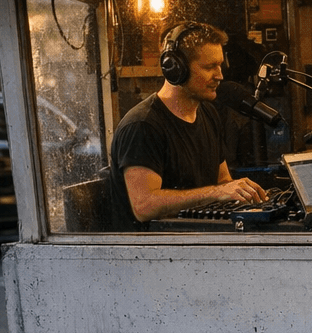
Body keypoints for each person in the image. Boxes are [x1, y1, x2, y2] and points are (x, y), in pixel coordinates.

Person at [108, 22, 266, 227]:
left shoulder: (207, 113)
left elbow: (222, 181)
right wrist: (216, 193)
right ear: (176, 69)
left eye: (220, 65)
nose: (220, 75)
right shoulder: (142, 126)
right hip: (153, 252)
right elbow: (144, 206)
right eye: (210, 67)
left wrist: (247, 195)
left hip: (197, 241)